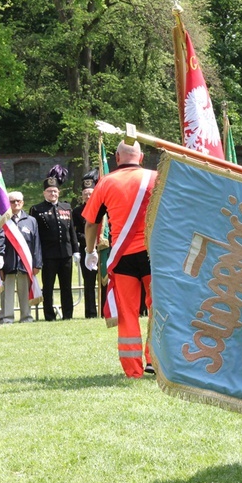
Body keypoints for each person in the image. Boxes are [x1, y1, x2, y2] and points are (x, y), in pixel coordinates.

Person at [83, 140, 157, 378]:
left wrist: (90, 251)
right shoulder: (157, 178)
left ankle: (132, 369)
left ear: (117, 158)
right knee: (158, 311)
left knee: (127, 313)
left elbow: (91, 223)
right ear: (142, 157)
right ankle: (155, 361)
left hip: (122, 257)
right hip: (153, 255)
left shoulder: (106, 182)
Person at [30, 166, 79, 321]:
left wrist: (76, 250)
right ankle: (49, 315)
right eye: (50, 191)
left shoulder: (66, 207)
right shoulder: (37, 209)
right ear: (44, 192)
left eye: (55, 191)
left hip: (66, 253)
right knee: (48, 287)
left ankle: (68, 315)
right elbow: (35, 234)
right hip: (48, 255)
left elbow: (71, 231)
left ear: (59, 192)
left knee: (66, 287)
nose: (53, 193)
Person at [0, 191, 42, 324]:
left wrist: (37, 264)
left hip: (25, 263)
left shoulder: (31, 221)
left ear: (23, 202)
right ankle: (6, 318)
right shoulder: (3, 220)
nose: (16, 203)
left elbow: (36, 243)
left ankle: (26, 317)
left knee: (25, 293)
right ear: (7, 203)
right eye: (12, 201)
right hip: (8, 263)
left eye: (19, 201)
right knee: (7, 294)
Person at [72, 171, 99, 318]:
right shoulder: (77, 211)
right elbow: (75, 231)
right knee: (89, 283)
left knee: (103, 282)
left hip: (102, 249)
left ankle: (103, 310)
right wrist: (89, 240)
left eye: (91, 194)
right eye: (85, 194)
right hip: (86, 249)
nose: (88, 197)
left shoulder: (103, 208)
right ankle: (90, 312)